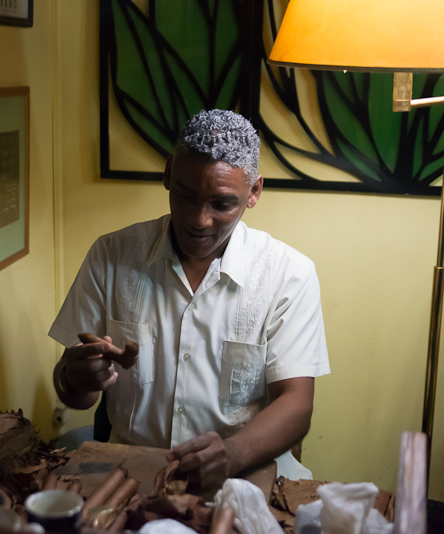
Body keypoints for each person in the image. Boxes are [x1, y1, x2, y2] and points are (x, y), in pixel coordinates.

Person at [49, 109, 330, 489]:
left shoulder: (289, 275)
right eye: (186, 196)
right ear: (168, 174)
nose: (200, 220)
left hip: (244, 479)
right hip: (132, 478)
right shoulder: (111, 256)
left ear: (254, 192)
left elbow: (296, 403)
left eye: (222, 204)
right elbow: (72, 390)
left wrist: (232, 454)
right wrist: (75, 379)